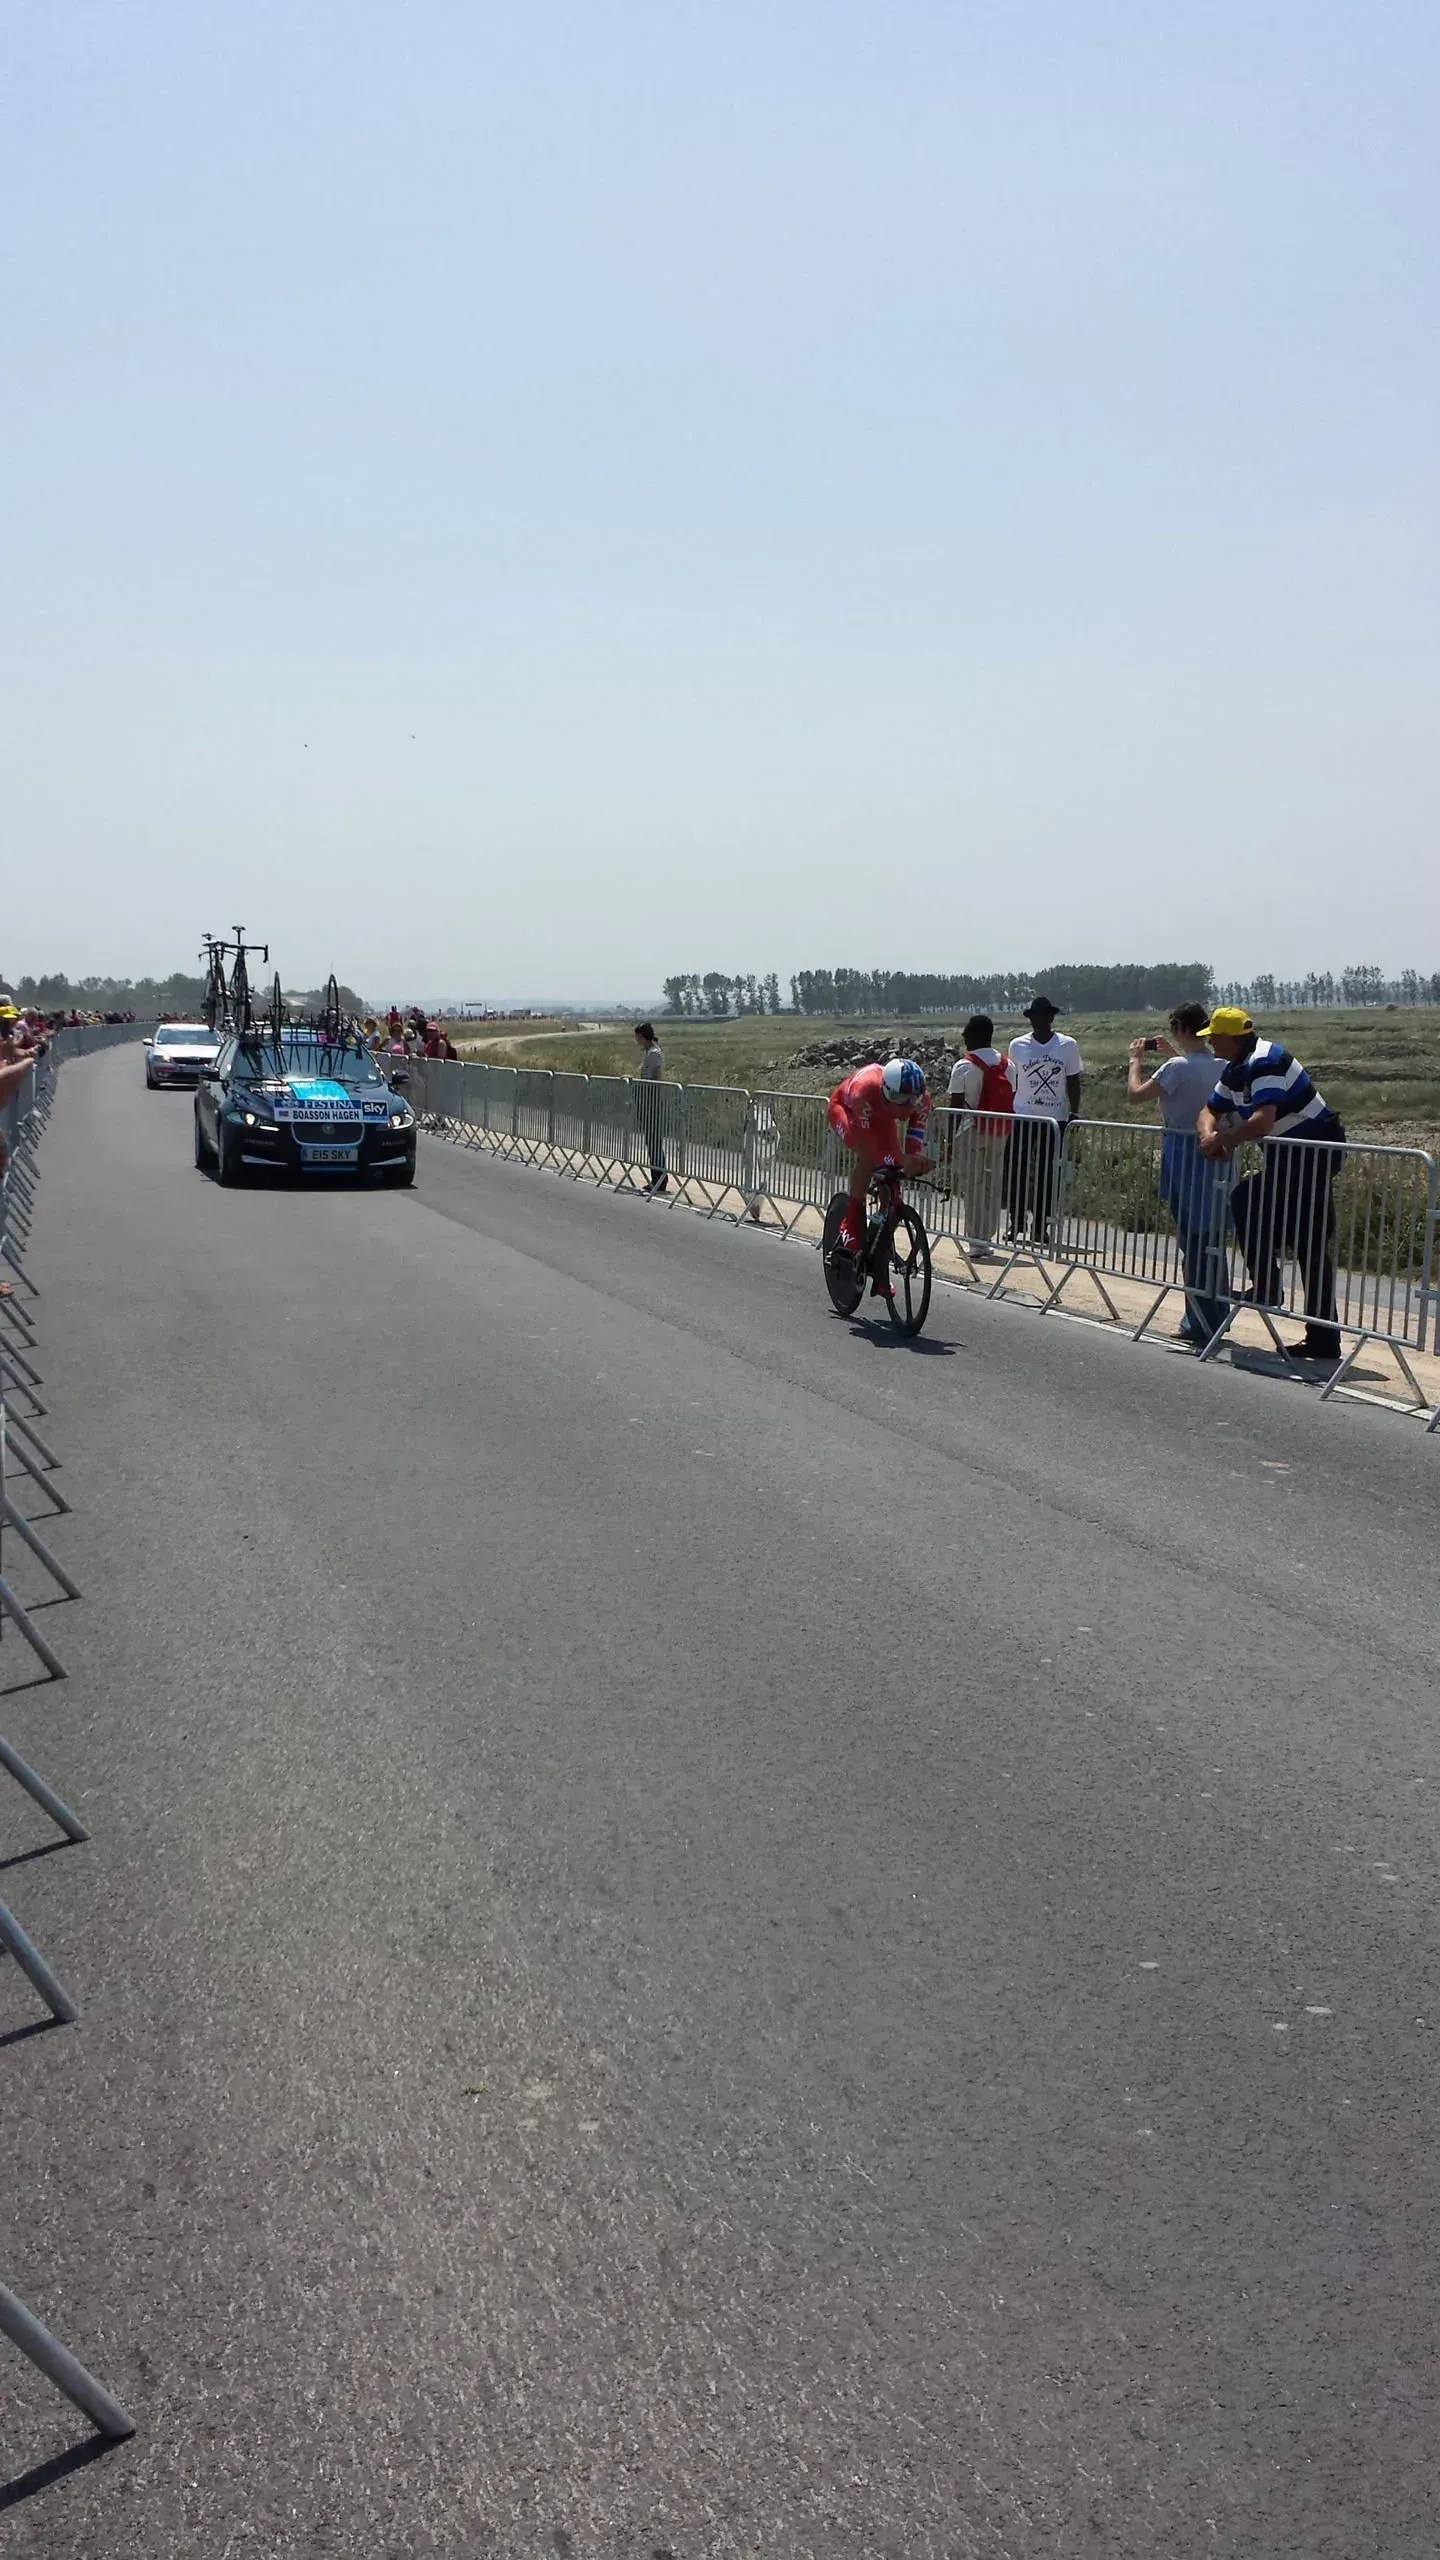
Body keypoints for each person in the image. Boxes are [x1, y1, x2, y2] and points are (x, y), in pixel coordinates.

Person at [1196, 1008, 1346, 1363]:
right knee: (1309, 1244)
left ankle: (1267, 1285)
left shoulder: (1266, 1061)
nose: (1211, 1043)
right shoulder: (1236, 1069)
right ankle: (1323, 1339)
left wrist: (1225, 1140)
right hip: (1289, 1155)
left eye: (1214, 1037)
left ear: (1232, 1038)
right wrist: (1208, 1136)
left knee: (1247, 1199)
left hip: (1314, 1151)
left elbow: (1262, 1121)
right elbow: (1209, 1109)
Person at [1127, 1003, 1230, 1346]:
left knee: (1192, 1238)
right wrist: (1175, 1053)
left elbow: (1135, 1094)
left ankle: (1197, 1318)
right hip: (1219, 1153)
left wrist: (1136, 1061)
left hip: (1184, 1152)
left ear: (1181, 1029)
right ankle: (1217, 1312)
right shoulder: (1223, 1065)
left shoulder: (1175, 1068)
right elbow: (1194, 1068)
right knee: (1213, 1237)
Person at [827, 1058, 934, 1296]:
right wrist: (901, 1159)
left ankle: (879, 1260)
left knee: (893, 1179)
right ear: (888, 1094)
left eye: (912, 1101)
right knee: (867, 1159)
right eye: (902, 1101)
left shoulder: (921, 1100)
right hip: (847, 1109)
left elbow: (912, 1146)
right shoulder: (864, 1091)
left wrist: (913, 1160)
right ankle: (851, 1222)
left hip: (882, 1115)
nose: (908, 1108)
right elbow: (872, 1150)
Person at [1004, 996, 1082, 1245]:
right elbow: (1012, 1081)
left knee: (1048, 1173)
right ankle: (1016, 1222)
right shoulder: (1018, 1046)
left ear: (1051, 1018)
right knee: (1017, 1170)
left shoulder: (1067, 1045)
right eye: (1035, 1017)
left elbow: (1073, 1080)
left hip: (1054, 1118)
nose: (1040, 1022)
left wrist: (1074, 1113)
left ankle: (1041, 1226)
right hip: (1024, 1116)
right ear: (1031, 1020)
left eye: (1045, 1017)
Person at [940, 1013, 1011, 1259]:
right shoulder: (1007, 1064)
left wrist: (949, 1141)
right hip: (1000, 1130)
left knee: (974, 1185)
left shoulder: (964, 1066)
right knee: (993, 1184)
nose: (965, 1040)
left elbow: (956, 1107)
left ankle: (975, 1239)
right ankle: (988, 1236)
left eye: (967, 1035)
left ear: (975, 1036)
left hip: (972, 1129)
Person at [632, 1022, 669, 1193]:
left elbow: (655, 1078)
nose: (636, 1040)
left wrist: (641, 1085)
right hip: (646, 1099)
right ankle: (656, 1177)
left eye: (637, 1036)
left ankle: (660, 1179)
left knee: (654, 1141)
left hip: (652, 1101)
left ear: (642, 1036)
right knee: (651, 1141)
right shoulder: (648, 1052)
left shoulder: (654, 1053)